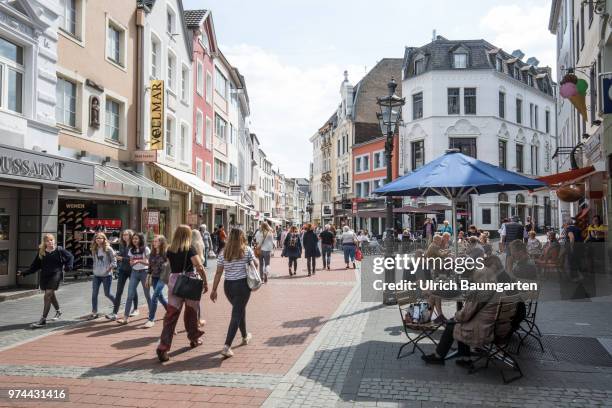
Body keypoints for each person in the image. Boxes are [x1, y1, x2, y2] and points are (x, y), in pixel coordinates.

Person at [421, 267, 504, 366]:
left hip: (482, 330)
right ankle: (465, 358)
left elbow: (465, 316)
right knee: (456, 322)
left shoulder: (480, 292)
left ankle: (438, 356)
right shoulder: (496, 289)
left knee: (452, 324)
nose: (473, 280)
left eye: (475, 278)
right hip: (493, 326)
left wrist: (456, 315)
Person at [157, 225, 207, 362]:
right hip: (189, 281)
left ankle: (163, 346)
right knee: (191, 313)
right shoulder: (190, 248)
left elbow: (168, 265)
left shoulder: (170, 249)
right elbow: (199, 266)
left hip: (174, 281)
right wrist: (205, 281)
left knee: (171, 315)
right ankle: (194, 338)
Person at [210, 228, 255, 358]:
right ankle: (227, 346)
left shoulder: (224, 252)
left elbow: (218, 272)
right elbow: (254, 265)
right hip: (242, 285)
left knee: (239, 309)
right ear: (242, 237)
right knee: (237, 313)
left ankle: (245, 336)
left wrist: (214, 290)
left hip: (228, 286)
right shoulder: (246, 250)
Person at [18, 234, 73, 328]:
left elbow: (70, 257)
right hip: (45, 276)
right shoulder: (41, 252)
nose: (50, 242)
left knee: (47, 294)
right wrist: (24, 273)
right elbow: (35, 265)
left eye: (52, 240)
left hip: (56, 274)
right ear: (45, 243)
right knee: (51, 295)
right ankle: (58, 311)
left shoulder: (59, 250)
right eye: (48, 241)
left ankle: (43, 319)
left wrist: (68, 267)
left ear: (54, 240)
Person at [117, 233, 151, 325]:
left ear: (140, 239)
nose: (134, 240)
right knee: (129, 295)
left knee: (147, 295)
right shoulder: (131, 250)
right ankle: (125, 318)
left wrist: (139, 261)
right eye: (133, 239)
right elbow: (131, 262)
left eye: (137, 239)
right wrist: (132, 263)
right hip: (134, 273)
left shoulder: (146, 249)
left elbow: (150, 263)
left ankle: (151, 315)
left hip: (144, 272)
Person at [106, 229, 138, 321]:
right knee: (119, 291)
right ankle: (115, 313)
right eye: (123, 235)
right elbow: (122, 255)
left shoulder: (134, 246)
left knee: (132, 290)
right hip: (123, 270)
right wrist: (117, 254)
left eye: (126, 235)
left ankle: (135, 309)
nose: (124, 237)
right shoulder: (122, 245)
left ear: (130, 236)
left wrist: (121, 258)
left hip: (132, 270)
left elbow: (133, 259)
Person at [88, 232, 117, 319]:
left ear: (104, 239)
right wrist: (94, 269)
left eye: (101, 238)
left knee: (107, 293)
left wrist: (109, 268)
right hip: (97, 275)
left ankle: (117, 305)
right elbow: (95, 261)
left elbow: (114, 261)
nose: (99, 240)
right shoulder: (94, 249)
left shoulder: (108, 249)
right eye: (97, 238)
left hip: (106, 275)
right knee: (94, 294)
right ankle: (94, 312)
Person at [144, 235, 168, 328]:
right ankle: (170, 310)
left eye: (156, 241)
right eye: (153, 241)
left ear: (161, 242)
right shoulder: (152, 254)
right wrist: (148, 276)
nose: (154, 243)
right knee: (160, 297)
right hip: (154, 277)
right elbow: (150, 266)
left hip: (162, 277)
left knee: (154, 296)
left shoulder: (166, 253)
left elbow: (169, 265)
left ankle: (151, 319)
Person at [191, 229, 207, 328]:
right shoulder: (200, 245)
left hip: (188, 273)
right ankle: (198, 320)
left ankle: (196, 320)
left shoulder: (189, 246)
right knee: (196, 301)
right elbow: (200, 265)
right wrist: (205, 282)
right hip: (197, 274)